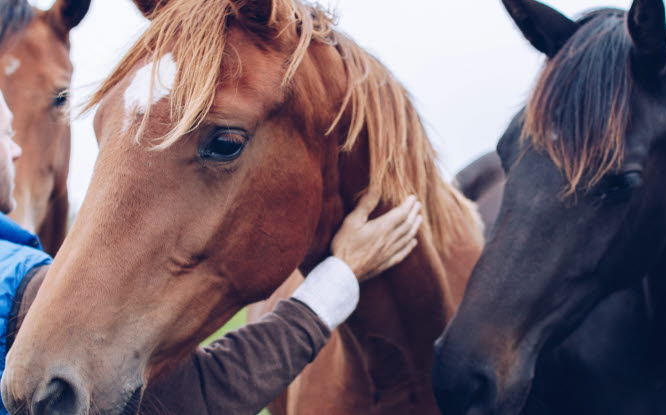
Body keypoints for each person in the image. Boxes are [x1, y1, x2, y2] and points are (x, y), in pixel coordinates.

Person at [0, 89, 423, 414]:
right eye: (5, 133)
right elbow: (203, 394)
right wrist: (341, 276)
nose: (17, 150)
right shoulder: (22, 279)